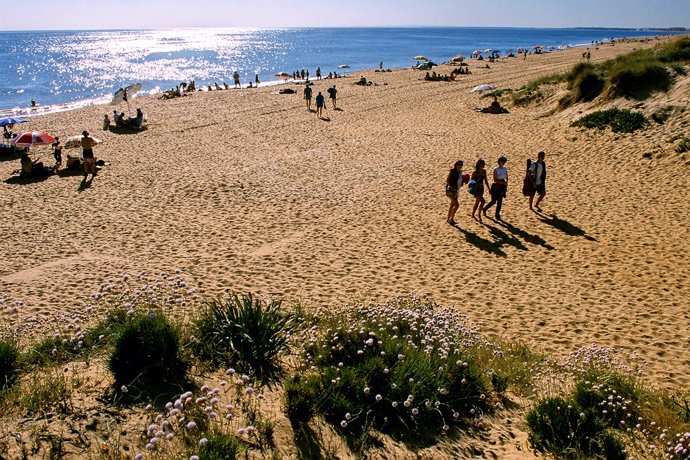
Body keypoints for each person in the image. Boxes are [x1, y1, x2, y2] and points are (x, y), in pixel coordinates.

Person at [445, 160, 464, 225]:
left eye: (461, 165)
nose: (460, 166)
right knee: (457, 205)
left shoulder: (460, 172)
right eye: (458, 165)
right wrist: (452, 187)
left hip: (456, 190)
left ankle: (448, 219)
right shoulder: (452, 171)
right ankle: (451, 219)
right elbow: (447, 180)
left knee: (452, 205)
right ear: (455, 165)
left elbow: (460, 182)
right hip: (451, 190)